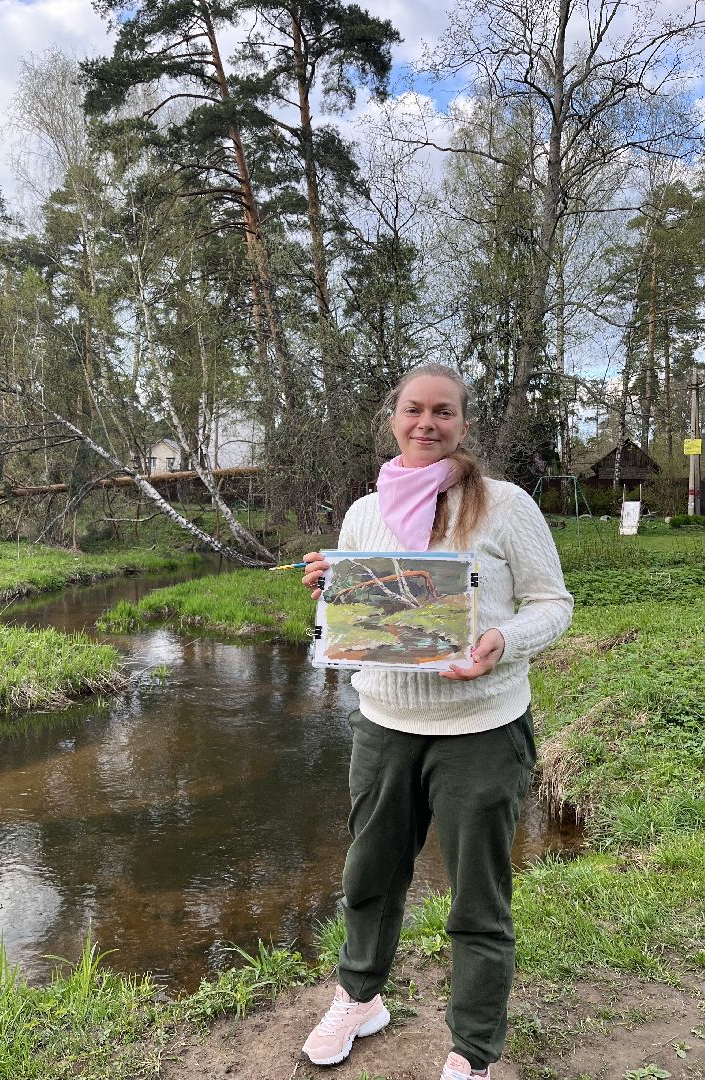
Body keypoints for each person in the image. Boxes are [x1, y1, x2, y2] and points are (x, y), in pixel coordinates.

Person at [300, 363, 573, 1079]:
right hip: (383, 725)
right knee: (369, 877)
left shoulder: (505, 505)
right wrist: (330, 594)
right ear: (393, 416)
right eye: (414, 410)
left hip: (482, 729)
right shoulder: (365, 510)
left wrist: (502, 642)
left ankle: (473, 1050)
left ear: (462, 423)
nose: (427, 423)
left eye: (443, 412)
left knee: (477, 902)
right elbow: (354, 619)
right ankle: (361, 998)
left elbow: (554, 603)